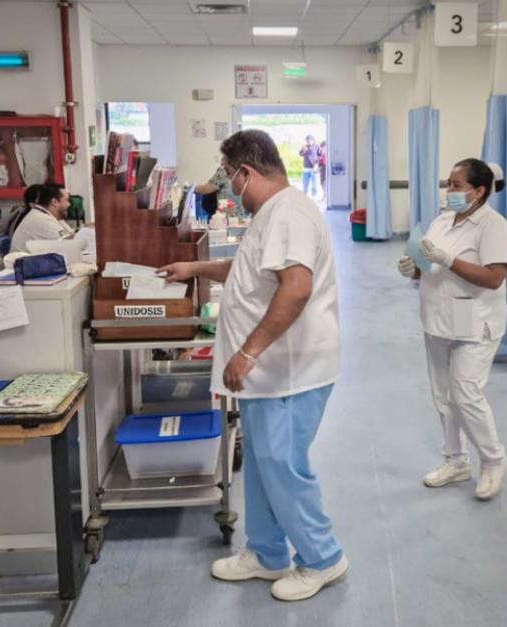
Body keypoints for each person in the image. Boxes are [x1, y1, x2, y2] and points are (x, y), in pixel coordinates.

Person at [159, 130, 347, 602]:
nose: (224, 186)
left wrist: (248, 352)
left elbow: (296, 287)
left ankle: (323, 558)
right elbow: (248, 270)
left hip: (290, 369)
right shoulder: (271, 214)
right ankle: (266, 554)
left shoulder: (288, 214)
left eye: (226, 176)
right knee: (264, 466)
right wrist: (195, 269)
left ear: (244, 172)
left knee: (284, 466)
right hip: (272, 371)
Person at [397, 159, 507, 501]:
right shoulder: (442, 220)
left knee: (466, 394)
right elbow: (426, 263)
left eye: (457, 185)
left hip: (474, 318)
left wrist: (447, 260)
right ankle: (455, 461)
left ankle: (493, 460)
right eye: (449, 183)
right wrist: (413, 269)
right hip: (437, 316)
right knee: (444, 397)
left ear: (479, 191)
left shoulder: (494, 226)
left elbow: (493, 277)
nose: (450, 191)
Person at [10, 184, 74, 254]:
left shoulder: (43, 214)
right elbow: (70, 245)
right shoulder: (42, 220)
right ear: (54, 202)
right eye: (67, 200)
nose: (69, 204)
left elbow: (70, 235)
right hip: (28, 264)